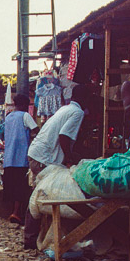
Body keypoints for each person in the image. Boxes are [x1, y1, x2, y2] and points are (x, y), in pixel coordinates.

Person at [24, 84, 90, 248]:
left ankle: (38, 238)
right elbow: (64, 137)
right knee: (40, 195)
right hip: (44, 157)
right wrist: (69, 159)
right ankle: (31, 239)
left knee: (41, 194)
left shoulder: (65, 109)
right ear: (85, 98)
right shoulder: (77, 112)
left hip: (38, 154)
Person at [3, 93, 39, 224]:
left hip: (8, 157)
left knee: (11, 185)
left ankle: (12, 211)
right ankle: (16, 213)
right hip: (21, 157)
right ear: (24, 105)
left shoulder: (8, 117)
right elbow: (37, 130)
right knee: (20, 186)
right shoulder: (25, 116)